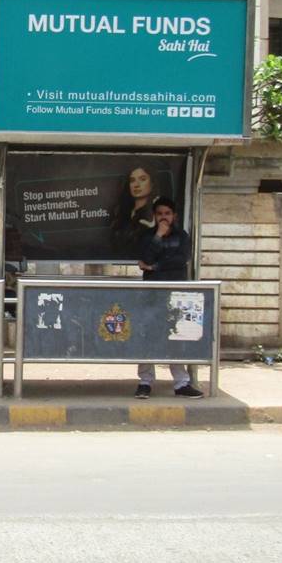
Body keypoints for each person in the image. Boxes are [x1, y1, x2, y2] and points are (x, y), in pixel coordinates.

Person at [135, 197, 204, 399]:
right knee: (148, 336)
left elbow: (180, 260)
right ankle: (145, 382)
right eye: (159, 214)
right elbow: (144, 258)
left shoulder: (182, 236)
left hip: (176, 295)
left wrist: (155, 266)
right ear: (154, 216)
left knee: (176, 337)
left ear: (174, 215)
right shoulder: (148, 236)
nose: (163, 217)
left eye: (167, 213)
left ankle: (181, 383)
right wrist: (158, 236)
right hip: (152, 294)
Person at [111, 163, 161, 260]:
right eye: (132, 180)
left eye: (142, 179)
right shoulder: (120, 211)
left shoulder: (155, 215)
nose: (136, 185)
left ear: (152, 184)